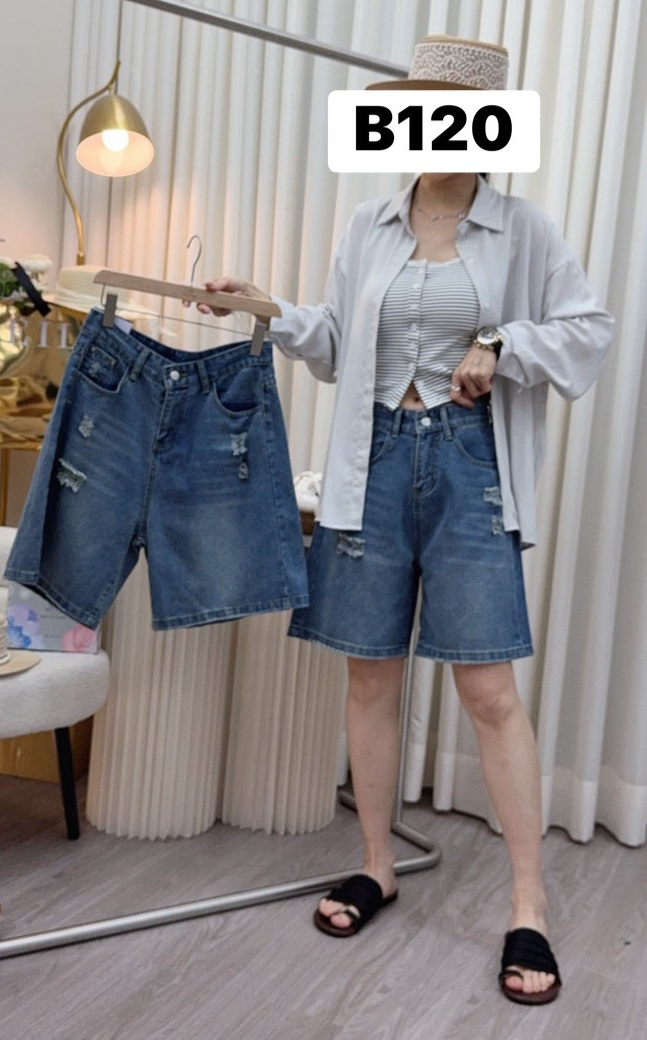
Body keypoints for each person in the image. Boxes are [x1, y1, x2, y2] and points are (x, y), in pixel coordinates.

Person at [197, 36, 613, 1005]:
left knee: (489, 690)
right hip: (374, 459)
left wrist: (501, 341)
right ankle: (377, 864)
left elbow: (587, 330)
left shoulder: (524, 231)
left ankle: (527, 903)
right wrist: (267, 309)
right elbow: (338, 342)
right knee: (370, 672)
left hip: (470, 464)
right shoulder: (369, 226)